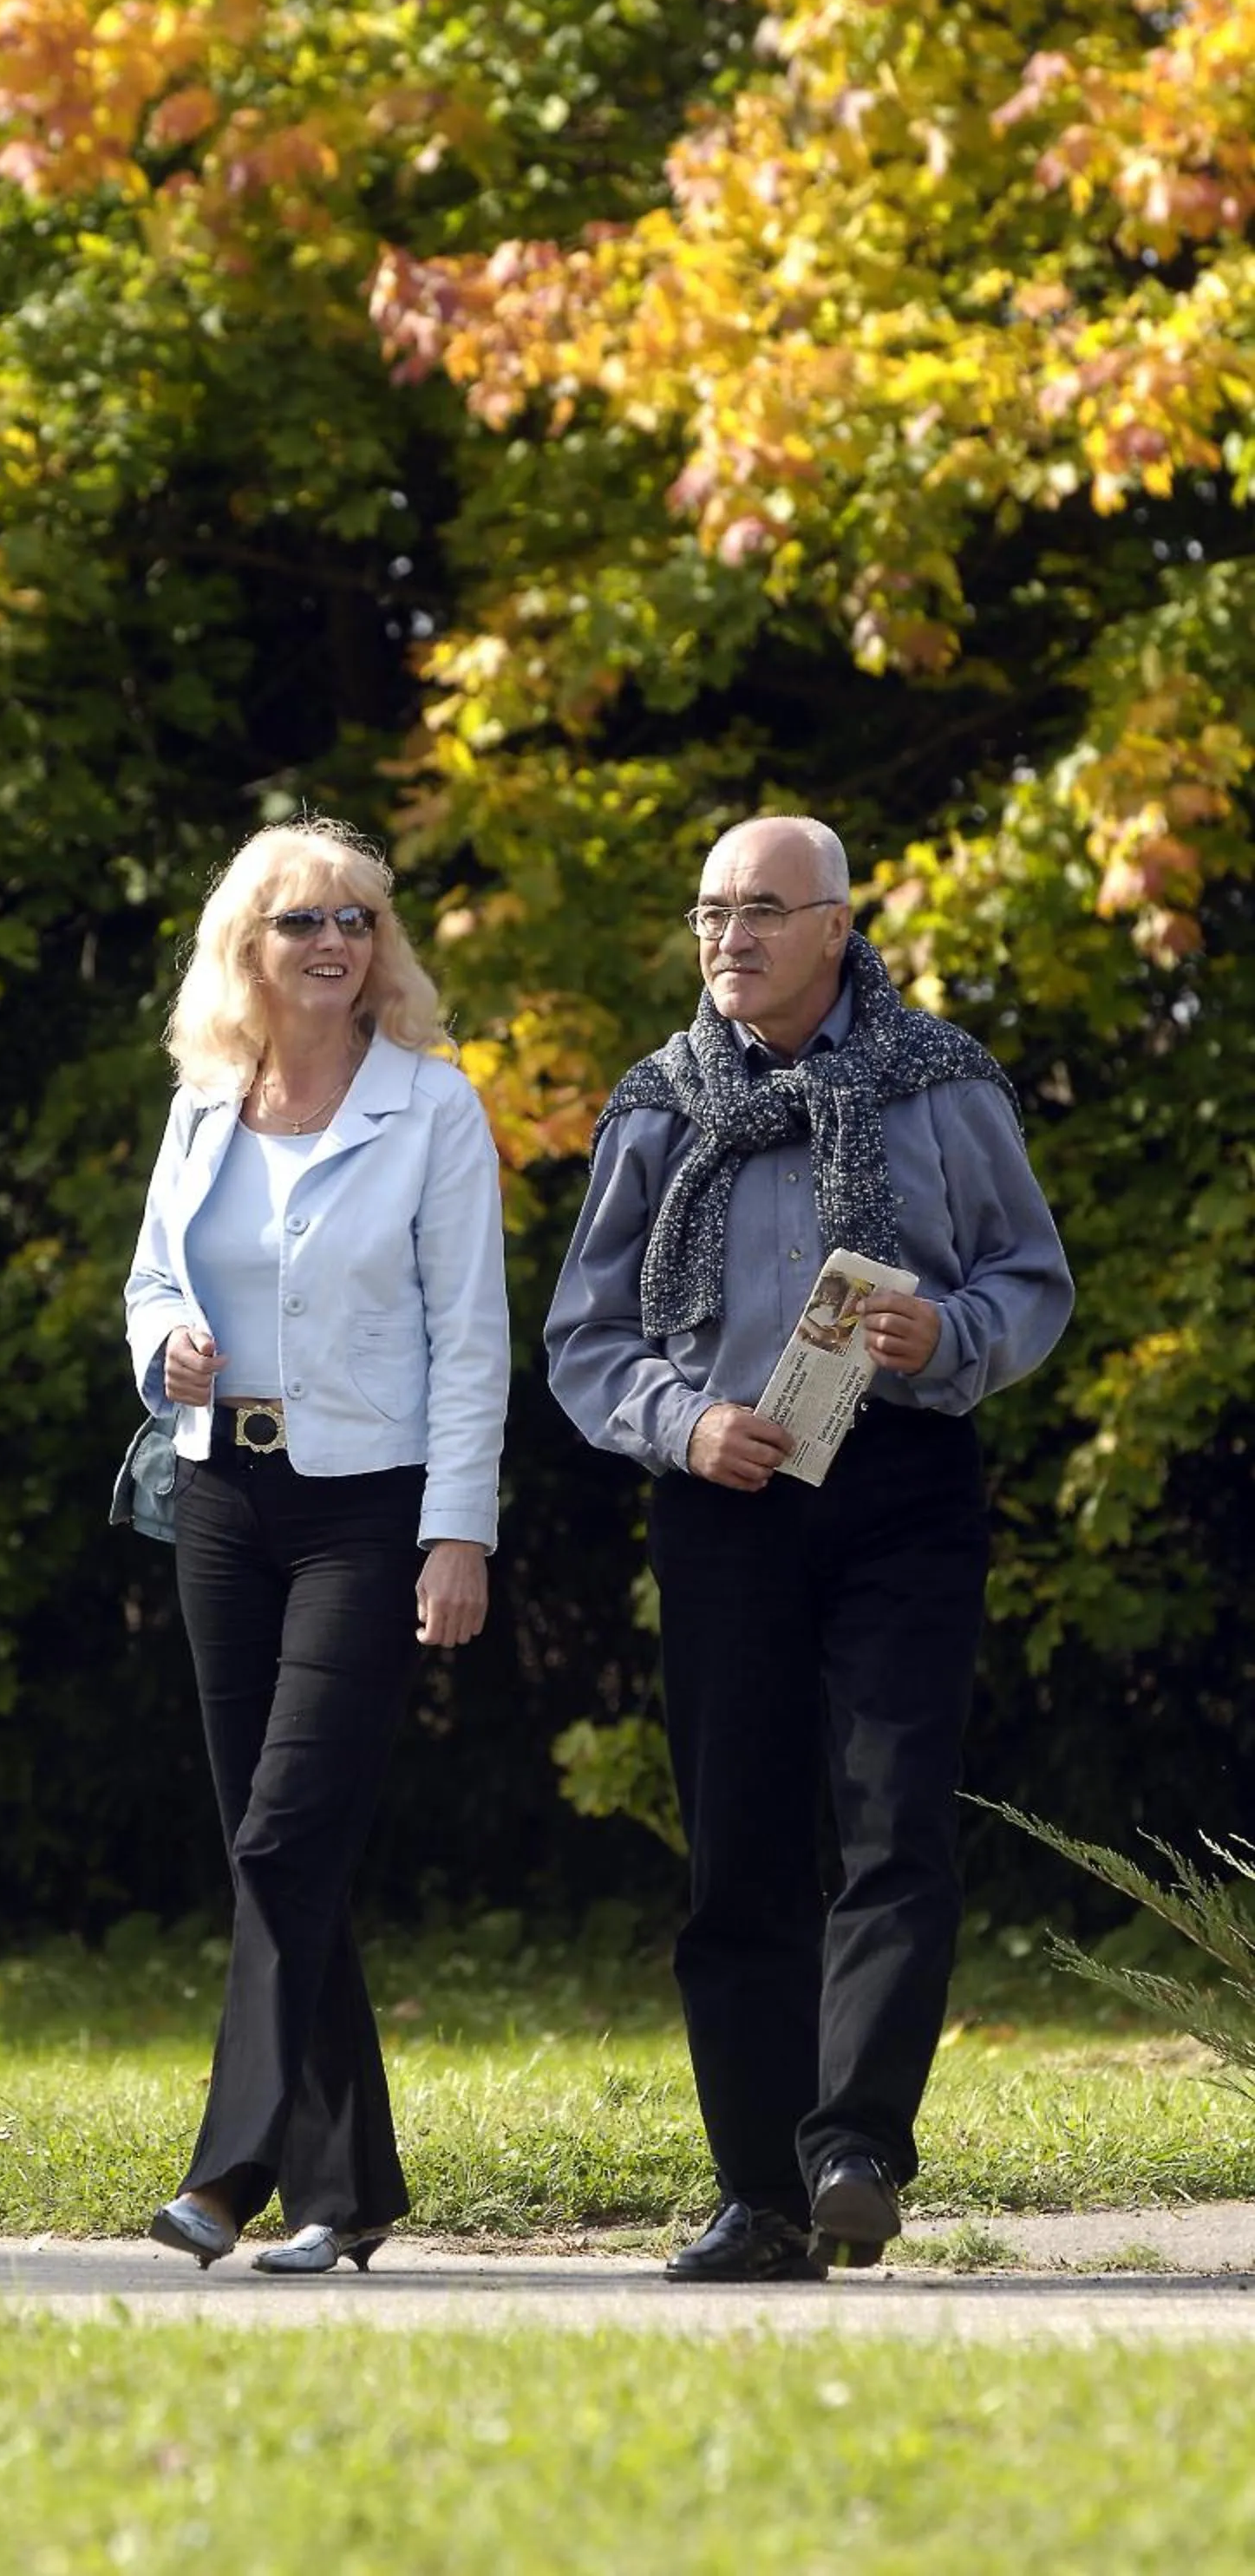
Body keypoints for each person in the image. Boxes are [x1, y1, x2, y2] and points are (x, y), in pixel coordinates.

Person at [546, 814, 1073, 2283]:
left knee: (893, 1822)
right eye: (712, 910)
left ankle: (852, 2153)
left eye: (765, 910)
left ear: (839, 926)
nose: (730, 938)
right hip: (722, 1496)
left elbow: (1032, 1279)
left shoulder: (943, 1082)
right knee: (739, 1850)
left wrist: (947, 1331)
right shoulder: (660, 1102)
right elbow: (585, 1338)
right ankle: (758, 2196)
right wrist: (681, 1423)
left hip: (904, 1480)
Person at [125, 814, 509, 2277]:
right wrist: (169, 1340)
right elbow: (153, 1275)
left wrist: (456, 1533)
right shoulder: (204, 1099)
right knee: (280, 1849)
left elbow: (473, 1340)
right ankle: (349, 2195)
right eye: (304, 923)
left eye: (357, 920)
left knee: (288, 1836)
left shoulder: (435, 1108)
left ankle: (229, 2172)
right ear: (250, 948)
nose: (336, 944)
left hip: (372, 1504)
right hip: (224, 1500)